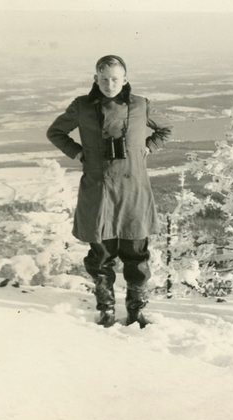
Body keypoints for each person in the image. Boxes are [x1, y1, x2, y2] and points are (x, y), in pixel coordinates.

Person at [47, 55, 171, 328]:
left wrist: (148, 147)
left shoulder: (141, 104)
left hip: (133, 192)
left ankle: (136, 310)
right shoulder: (81, 106)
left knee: (136, 255)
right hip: (99, 190)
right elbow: (55, 132)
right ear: (95, 79)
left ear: (125, 79)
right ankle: (105, 309)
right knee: (101, 255)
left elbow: (164, 130)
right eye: (104, 78)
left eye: (115, 78)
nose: (109, 84)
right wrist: (78, 153)